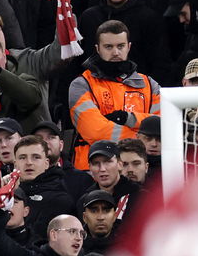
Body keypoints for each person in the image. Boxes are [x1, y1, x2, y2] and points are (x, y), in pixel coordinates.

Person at [69, 20, 163, 169]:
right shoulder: (81, 84)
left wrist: (129, 119)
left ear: (129, 47)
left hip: (141, 169)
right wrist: (142, 138)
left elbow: (162, 124)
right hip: (94, 170)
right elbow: (95, 131)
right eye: (108, 47)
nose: (115, 52)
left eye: (120, 46)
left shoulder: (149, 84)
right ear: (97, 49)